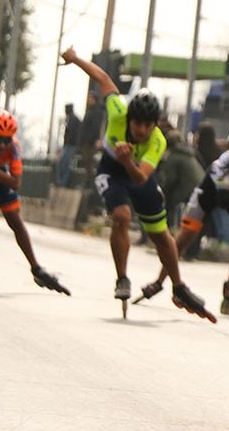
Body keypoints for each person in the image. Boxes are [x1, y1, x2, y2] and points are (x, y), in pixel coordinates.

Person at [60, 46, 213, 322]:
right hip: (111, 168)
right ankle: (122, 278)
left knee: (161, 234)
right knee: (120, 216)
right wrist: (75, 59)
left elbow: (142, 177)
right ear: (129, 118)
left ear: (155, 124)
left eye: (147, 125)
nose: (141, 130)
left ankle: (178, 287)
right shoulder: (118, 109)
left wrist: (129, 160)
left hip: (136, 171)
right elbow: (103, 78)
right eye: (137, 124)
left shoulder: (158, 141)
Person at [139, 125, 229, 316]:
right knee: (184, 238)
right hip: (210, 195)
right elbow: (222, 200)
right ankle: (159, 282)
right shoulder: (221, 167)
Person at [0, 108, 70, 295]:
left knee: (15, 221)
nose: (3, 145)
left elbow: (16, 183)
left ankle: (36, 268)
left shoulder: (14, 147)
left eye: (7, 139)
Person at [155, 129, 205, 230]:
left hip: (188, 187)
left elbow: (169, 180)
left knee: (169, 202)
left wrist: (162, 190)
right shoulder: (188, 152)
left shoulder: (174, 156)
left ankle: (167, 229)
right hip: (201, 184)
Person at [78, 90, 104, 189]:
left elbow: (95, 127)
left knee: (90, 163)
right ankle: (88, 183)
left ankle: (90, 185)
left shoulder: (96, 111)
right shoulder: (91, 110)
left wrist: (90, 139)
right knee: (87, 163)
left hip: (90, 142)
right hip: (87, 141)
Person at [55, 103, 81, 187]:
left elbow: (72, 133)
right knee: (62, 162)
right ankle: (61, 181)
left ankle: (63, 182)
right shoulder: (70, 118)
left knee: (65, 163)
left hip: (71, 145)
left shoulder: (73, 119)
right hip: (68, 145)